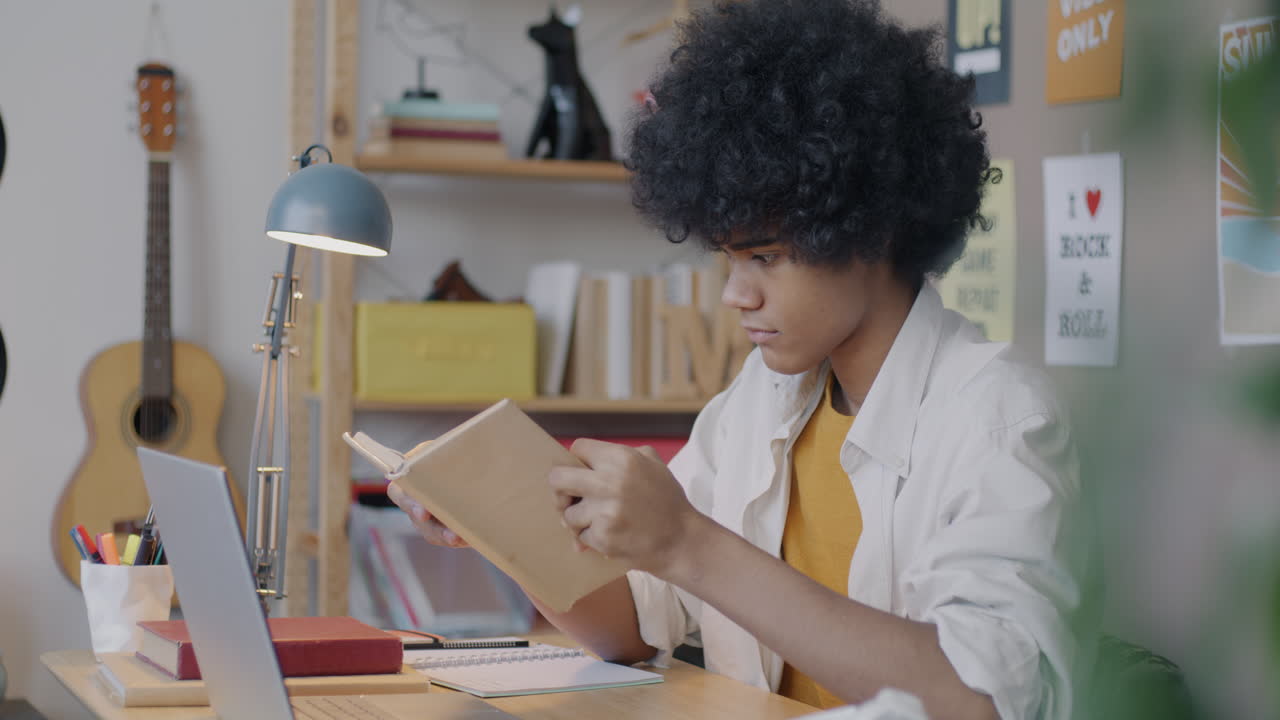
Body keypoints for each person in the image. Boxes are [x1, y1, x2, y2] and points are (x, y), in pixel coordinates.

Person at [388, 1, 1093, 718]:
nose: (735, 294)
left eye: (765, 257)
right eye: (728, 258)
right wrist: (492, 518)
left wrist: (688, 541)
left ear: (871, 227)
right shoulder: (762, 399)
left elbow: (978, 697)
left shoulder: (997, 418)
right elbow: (630, 627)